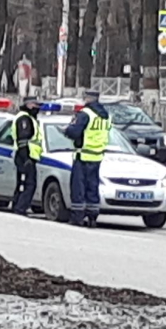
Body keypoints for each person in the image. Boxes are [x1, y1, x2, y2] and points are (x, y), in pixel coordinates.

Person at [64, 90, 112, 227]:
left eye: (85, 97)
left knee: (78, 187)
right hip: (97, 155)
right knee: (93, 187)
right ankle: (92, 218)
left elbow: (75, 132)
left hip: (83, 155)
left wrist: (66, 131)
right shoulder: (106, 116)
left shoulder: (86, 114)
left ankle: (77, 217)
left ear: (89, 98)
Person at [11, 97, 43, 216]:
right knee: (29, 184)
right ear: (29, 105)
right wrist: (26, 159)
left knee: (23, 183)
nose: (37, 108)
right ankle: (20, 208)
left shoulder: (29, 118)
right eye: (35, 105)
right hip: (25, 156)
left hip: (28, 156)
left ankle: (17, 205)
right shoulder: (24, 118)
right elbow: (23, 140)